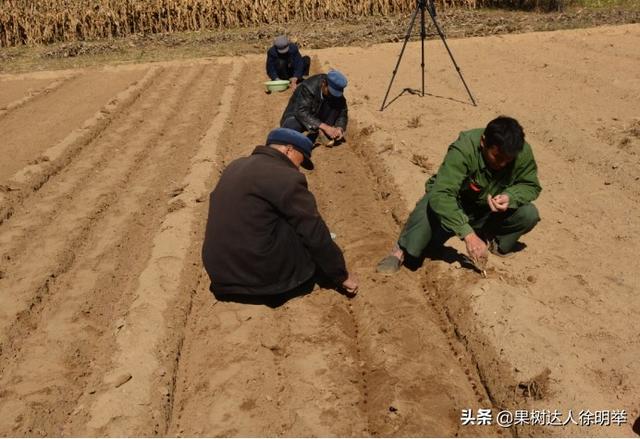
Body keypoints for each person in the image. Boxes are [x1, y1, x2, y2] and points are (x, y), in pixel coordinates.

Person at [202, 127, 358, 300]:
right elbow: (312, 230)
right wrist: (341, 275)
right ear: (289, 150)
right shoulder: (285, 176)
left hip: (220, 277)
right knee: (303, 229)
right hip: (260, 280)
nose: (299, 168)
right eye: (301, 159)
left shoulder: (235, 165)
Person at [376, 116, 542, 274]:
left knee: (528, 214)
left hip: (486, 212)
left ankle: (491, 240)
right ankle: (402, 250)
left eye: (508, 160)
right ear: (484, 142)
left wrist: (510, 196)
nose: (503, 164)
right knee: (430, 207)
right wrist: (468, 235)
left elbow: (531, 185)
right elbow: (442, 194)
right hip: (456, 205)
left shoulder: (520, 152)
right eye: (497, 157)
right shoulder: (465, 148)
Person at [280, 70, 348, 145]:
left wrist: (340, 127)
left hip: (317, 117)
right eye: (330, 92)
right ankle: (319, 130)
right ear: (324, 84)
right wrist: (326, 127)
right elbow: (301, 112)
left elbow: (343, 112)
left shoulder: (335, 92)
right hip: (297, 114)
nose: (332, 95)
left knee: (336, 106)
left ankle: (319, 132)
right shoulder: (308, 87)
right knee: (289, 128)